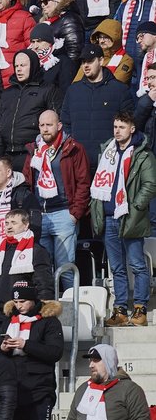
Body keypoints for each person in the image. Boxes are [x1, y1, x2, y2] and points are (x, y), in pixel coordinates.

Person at [90, 112, 156, 327]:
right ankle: (120, 309)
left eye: (122, 126)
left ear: (132, 129)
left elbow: (150, 184)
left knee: (137, 264)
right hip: (109, 216)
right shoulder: (107, 151)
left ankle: (140, 308)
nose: (117, 130)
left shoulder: (143, 154)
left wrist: (136, 206)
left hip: (131, 216)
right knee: (116, 267)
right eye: (115, 126)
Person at [0, 280, 64, 420]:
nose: (19, 306)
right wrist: (3, 348)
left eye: (23, 301)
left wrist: (26, 345)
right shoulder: (9, 320)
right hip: (14, 389)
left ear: (33, 300)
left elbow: (55, 352)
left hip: (40, 390)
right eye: (15, 302)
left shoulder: (49, 321)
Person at [63, 344, 153, 420]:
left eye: (96, 360)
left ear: (108, 362)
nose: (91, 365)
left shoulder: (129, 389)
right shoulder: (83, 389)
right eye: (90, 361)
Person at [0, 209, 55, 322]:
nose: (9, 227)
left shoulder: (37, 251)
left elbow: (44, 285)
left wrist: (38, 313)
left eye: (14, 223)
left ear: (26, 225)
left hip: (23, 317)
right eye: (6, 223)